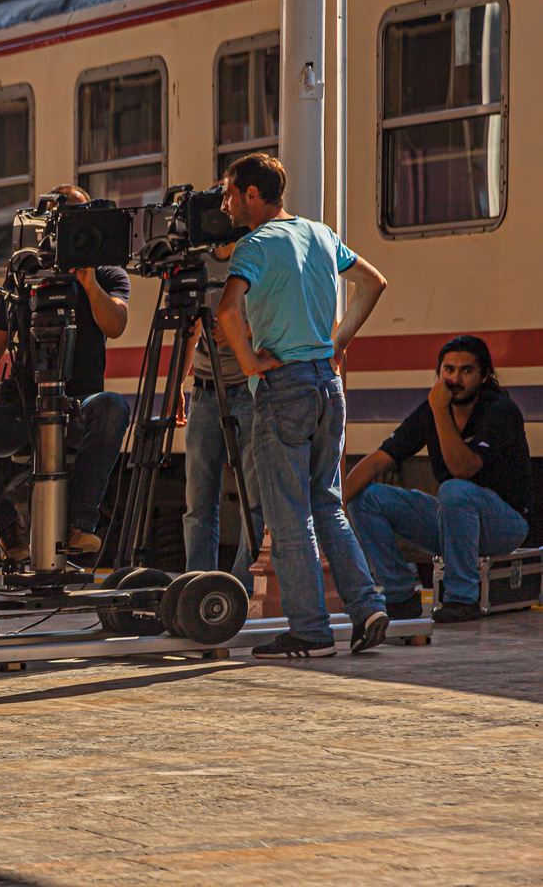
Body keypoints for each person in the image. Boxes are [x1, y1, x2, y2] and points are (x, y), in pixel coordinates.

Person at [215, 152, 390, 658]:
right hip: (327, 386)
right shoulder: (319, 233)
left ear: (252, 195)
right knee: (327, 504)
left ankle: (311, 631)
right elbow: (373, 282)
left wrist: (249, 363)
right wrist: (340, 340)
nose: (225, 205)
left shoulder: (253, 244)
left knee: (289, 515)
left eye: (230, 194)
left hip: (284, 387)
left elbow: (227, 310)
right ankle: (367, 605)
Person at [0, 185, 131, 564]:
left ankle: (78, 525)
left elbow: (117, 324)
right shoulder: (25, 271)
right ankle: (5, 527)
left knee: (113, 408)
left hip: (77, 407)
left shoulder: (106, 270)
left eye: (79, 220)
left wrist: (89, 284)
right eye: (61, 221)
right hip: (23, 410)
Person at [343, 335, 533, 624]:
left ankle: (461, 599)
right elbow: (379, 460)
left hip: (504, 525)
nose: (455, 379)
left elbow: (462, 469)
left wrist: (441, 412)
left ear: (484, 377)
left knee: (454, 490)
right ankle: (400, 595)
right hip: (455, 523)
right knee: (366, 498)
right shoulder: (431, 410)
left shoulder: (499, 411)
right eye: (448, 370)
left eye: (466, 371)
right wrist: (331, 508)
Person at [181, 243, 265, 593]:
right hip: (204, 389)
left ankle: (242, 587)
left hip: (247, 387)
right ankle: (198, 586)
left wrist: (236, 330)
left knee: (253, 497)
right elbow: (189, 329)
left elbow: (270, 317)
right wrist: (177, 387)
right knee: (198, 500)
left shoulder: (255, 255)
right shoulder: (197, 261)